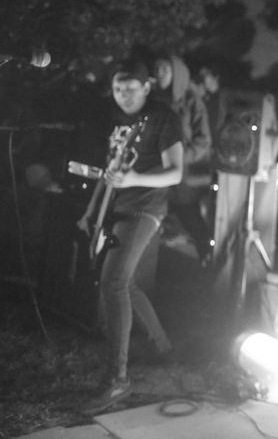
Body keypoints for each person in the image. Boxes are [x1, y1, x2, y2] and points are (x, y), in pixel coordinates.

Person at [76, 59, 183, 414]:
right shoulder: (119, 120)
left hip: (146, 207)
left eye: (130, 88)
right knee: (127, 283)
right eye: (118, 89)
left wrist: (136, 179)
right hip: (117, 206)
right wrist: (92, 211)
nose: (123, 95)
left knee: (114, 282)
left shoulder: (164, 118)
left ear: (147, 87)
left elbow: (176, 173)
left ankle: (117, 379)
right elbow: (111, 173)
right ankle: (163, 347)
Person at [152, 53, 212, 262]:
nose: (159, 74)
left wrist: (179, 158)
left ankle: (206, 260)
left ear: (176, 73)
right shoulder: (152, 99)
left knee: (190, 218)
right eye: (156, 69)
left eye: (165, 69)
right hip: (157, 174)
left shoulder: (191, 101)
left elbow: (203, 140)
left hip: (185, 178)